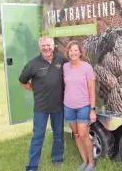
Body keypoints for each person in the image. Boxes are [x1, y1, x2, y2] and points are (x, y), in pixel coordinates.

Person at [19, 37, 69, 171]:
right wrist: (34, 90)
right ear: (39, 47)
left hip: (58, 105)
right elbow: (22, 80)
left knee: (58, 134)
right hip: (41, 107)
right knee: (38, 136)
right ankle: (32, 166)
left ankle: (57, 158)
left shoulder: (62, 60)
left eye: (48, 45)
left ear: (53, 46)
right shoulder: (33, 64)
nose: (46, 48)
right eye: (43, 46)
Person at [63, 40, 97, 171]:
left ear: (80, 52)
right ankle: (84, 161)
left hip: (83, 106)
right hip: (68, 106)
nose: (73, 53)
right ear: (68, 53)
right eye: (71, 50)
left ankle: (91, 163)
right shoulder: (65, 67)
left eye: (76, 50)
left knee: (83, 135)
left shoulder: (87, 67)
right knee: (76, 134)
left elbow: (91, 89)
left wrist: (92, 110)